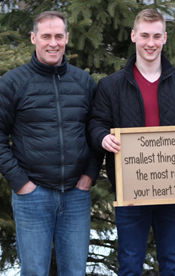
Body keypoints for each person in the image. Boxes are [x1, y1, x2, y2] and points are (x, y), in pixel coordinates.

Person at [88, 9, 175, 276]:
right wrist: (103, 138)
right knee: (129, 265)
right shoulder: (111, 85)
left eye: (157, 36)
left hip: (174, 189)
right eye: (145, 35)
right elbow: (96, 123)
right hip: (131, 190)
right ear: (134, 36)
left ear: (165, 38)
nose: (151, 42)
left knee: (172, 265)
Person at [0, 11, 102, 276]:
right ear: (34, 38)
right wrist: (21, 183)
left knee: (75, 272)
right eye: (46, 36)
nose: (53, 43)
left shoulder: (83, 83)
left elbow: (96, 132)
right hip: (33, 195)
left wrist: (90, 174)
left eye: (59, 36)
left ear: (67, 38)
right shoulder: (12, 84)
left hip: (76, 195)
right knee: (34, 272)